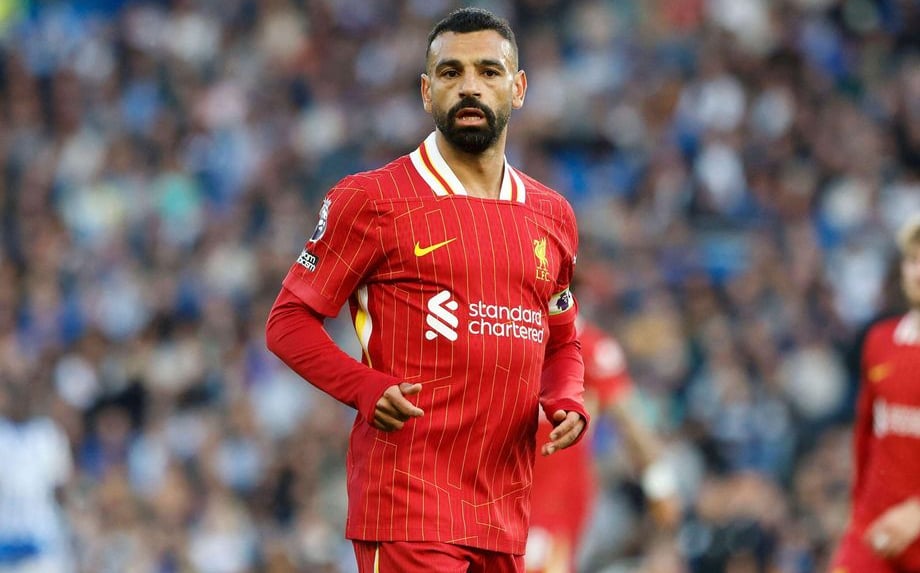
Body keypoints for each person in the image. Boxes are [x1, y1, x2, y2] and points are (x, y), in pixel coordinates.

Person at [265, 8, 588, 573]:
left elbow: (562, 342)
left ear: (519, 88)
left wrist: (565, 399)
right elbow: (287, 321)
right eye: (450, 72)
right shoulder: (372, 199)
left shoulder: (552, 215)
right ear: (425, 90)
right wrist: (363, 386)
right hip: (408, 504)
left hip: (504, 510)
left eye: (489, 71)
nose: (469, 86)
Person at [526, 318, 680, 573]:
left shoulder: (587, 347)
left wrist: (659, 486)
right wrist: (661, 488)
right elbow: (632, 426)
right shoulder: (587, 345)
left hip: (541, 509)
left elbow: (631, 426)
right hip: (521, 506)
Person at [830, 213, 920, 573]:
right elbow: (866, 435)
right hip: (875, 527)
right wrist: (858, 516)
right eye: (914, 259)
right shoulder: (880, 341)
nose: (919, 271)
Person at [0, 382, 73, 573]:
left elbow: (61, 486)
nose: (19, 402)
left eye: (24, 396)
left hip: (40, 530)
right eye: (14, 397)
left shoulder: (48, 434)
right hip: (5, 530)